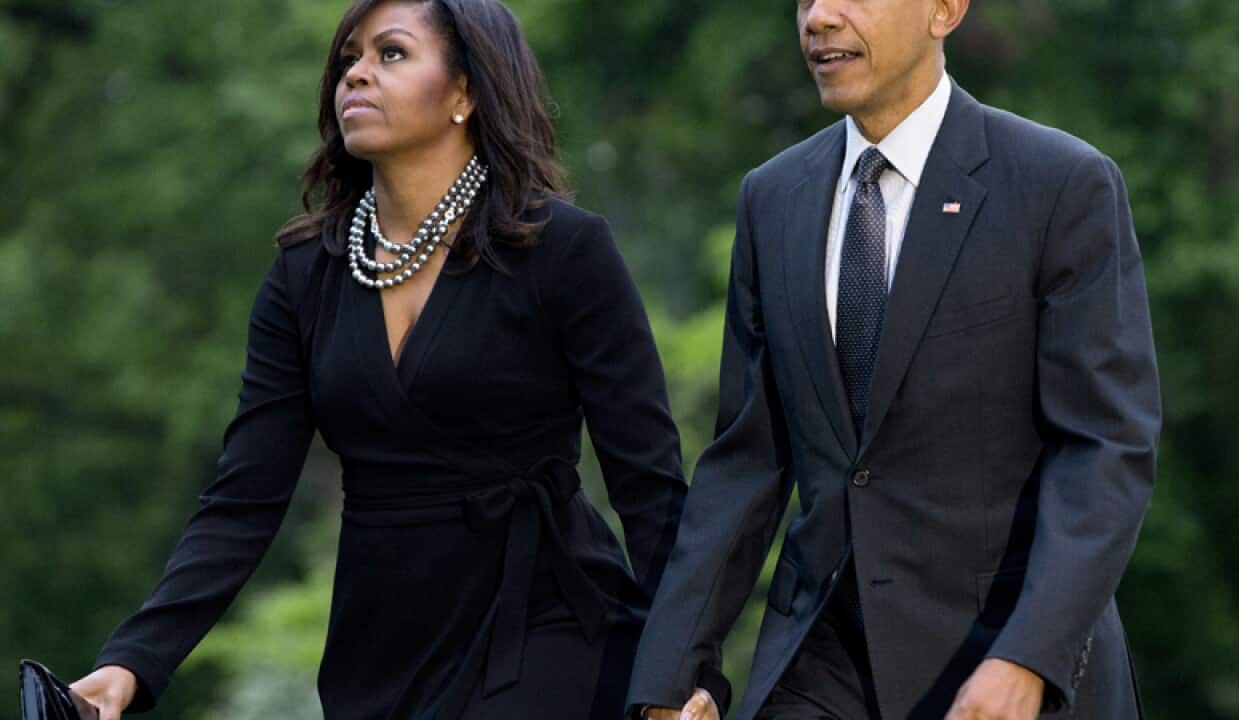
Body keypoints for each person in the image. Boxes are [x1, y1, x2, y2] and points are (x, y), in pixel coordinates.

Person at [69, 1, 688, 718]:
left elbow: (649, 484)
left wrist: (682, 669)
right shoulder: (305, 275)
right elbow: (243, 501)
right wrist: (132, 661)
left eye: (390, 53)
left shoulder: (563, 251)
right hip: (381, 646)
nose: (356, 74)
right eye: (348, 59)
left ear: (465, 92)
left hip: (546, 623)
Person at [627, 0, 1161, 718]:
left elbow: (1106, 446)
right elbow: (746, 461)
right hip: (820, 659)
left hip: (1002, 659)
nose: (819, 17)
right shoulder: (771, 198)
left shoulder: (1061, 185)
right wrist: (672, 675)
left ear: (945, 10)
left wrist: (1029, 654)